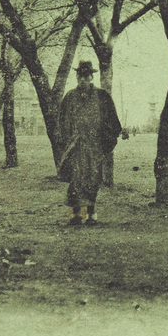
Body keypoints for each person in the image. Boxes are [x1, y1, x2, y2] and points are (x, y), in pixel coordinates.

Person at [57, 60, 121, 226]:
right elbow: (61, 122)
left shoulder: (102, 96)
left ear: (92, 76)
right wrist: (67, 140)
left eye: (87, 76)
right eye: (80, 76)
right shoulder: (70, 97)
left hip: (94, 146)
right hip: (76, 146)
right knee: (76, 179)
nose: (83, 79)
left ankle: (91, 215)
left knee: (93, 179)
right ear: (77, 77)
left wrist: (106, 141)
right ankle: (76, 215)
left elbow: (113, 121)